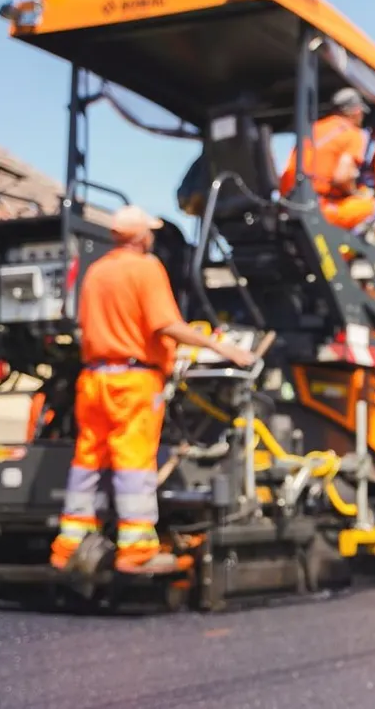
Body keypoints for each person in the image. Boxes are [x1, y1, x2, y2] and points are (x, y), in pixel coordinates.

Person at [50, 205, 256, 575]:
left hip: (94, 379)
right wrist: (224, 348)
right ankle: (136, 547)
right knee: (133, 461)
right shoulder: (146, 268)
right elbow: (166, 324)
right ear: (141, 236)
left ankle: (69, 543)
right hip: (133, 381)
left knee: (88, 459)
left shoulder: (96, 272)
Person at [279, 87, 375, 230]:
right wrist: (356, 193)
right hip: (318, 207)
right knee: (374, 208)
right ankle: (344, 252)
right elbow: (342, 177)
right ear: (356, 111)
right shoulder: (352, 133)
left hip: (288, 204)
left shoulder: (313, 128)